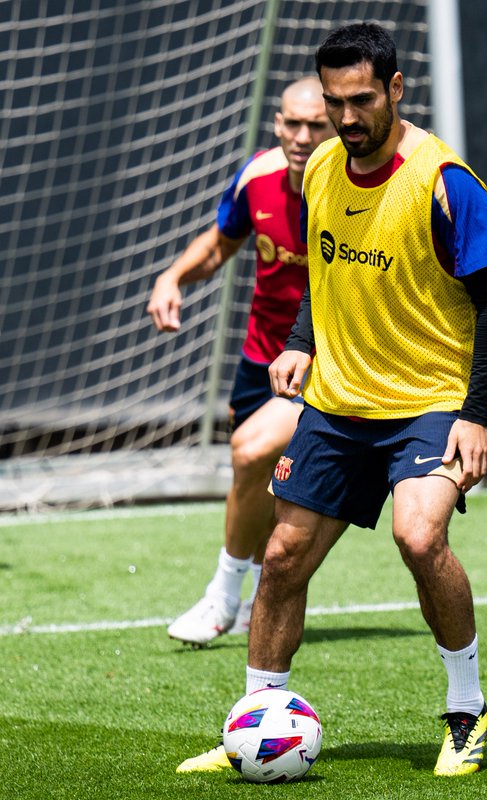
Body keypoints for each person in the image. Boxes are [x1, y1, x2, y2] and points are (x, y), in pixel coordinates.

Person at [176, 22, 487, 777]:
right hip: (341, 400)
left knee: (419, 537)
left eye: (362, 100)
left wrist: (476, 416)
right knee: (284, 555)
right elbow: (322, 273)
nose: (348, 117)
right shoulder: (323, 167)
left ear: (395, 89)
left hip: (433, 396)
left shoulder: (445, 182)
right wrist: (300, 340)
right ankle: (254, 724)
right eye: (336, 102)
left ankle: (468, 711)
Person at [148, 77, 335, 647]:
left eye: (316, 125)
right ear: (277, 124)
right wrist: (173, 276)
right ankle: (260, 594)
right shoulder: (256, 176)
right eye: (292, 124)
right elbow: (220, 244)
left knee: (251, 452)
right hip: (260, 361)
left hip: (327, 366)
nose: (302, 137)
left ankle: (221, 597)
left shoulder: (354, 189)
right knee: (257, 482)